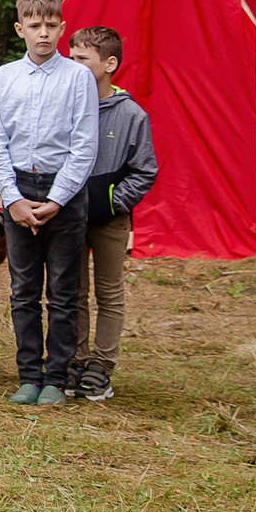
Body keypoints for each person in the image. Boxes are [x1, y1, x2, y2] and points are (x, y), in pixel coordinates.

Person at [0, 0, 99, 406]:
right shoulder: (5, 77)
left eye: (51, 25)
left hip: (62, 193)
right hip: (19, 188)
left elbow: (85, 143)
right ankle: (29, 374)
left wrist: (59, 199)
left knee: (65, 290)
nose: (44, 33)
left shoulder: (78, 77)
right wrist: (12, 199)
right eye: (35, 26)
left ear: (63, 28)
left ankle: (59, 375)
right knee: (24, 289)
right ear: (21, 29)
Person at [67, 26, 157, 403]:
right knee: (73, 291)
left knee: (108, 292)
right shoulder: (65, 105)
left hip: (110, 219)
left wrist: (113, 201)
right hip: (68, 213)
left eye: (81, 60)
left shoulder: (131, 114)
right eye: (70, 59)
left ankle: (101, 367)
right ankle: (74, 359)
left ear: (109, 64)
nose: (73, 66)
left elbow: (145, 169)